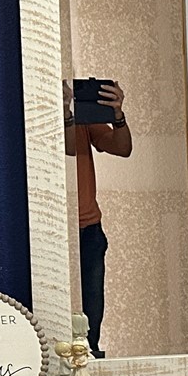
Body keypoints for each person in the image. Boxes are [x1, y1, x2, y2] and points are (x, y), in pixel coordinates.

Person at [65, 79, 129, 357]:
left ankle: (91, 369)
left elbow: (122, 148)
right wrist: (64, 112)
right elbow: (66, 152)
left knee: (90, 325)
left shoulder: (82, 114)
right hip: (55, 228)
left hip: (88, 228)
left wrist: (118, 115)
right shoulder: (38, 110)